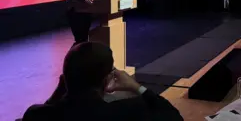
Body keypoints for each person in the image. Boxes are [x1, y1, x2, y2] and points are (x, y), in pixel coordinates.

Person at [22, 42, 183, 121]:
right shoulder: (130, 111)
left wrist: (57, 94)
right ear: (106, 80)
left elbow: (45, 111)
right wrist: (137, 87)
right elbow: (174, 117)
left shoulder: (36, 115)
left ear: (64, 79)